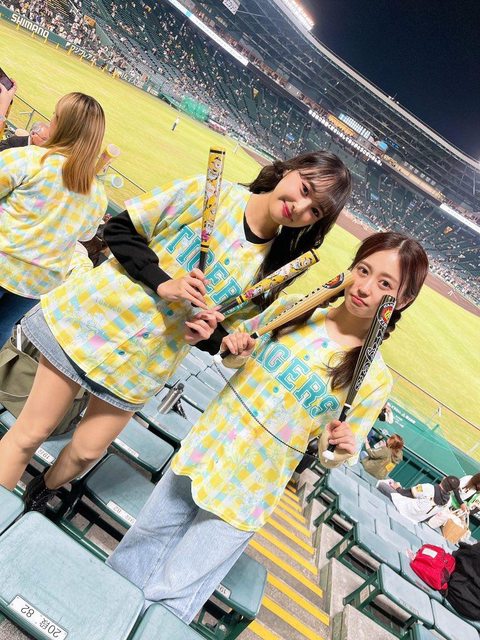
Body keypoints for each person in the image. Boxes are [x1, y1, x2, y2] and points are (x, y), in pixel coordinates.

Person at [0, 151, 352, 510]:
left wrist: (214, 337)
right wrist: (162, 282)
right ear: (289, 170)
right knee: (31, 433)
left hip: (142, 364)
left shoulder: (275, 266)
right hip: (93, 320)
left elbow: (223, 329)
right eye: (304, 189)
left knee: (86, 452)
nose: (300, 207)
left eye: (314, 211)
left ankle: (39, 493)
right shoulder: (211, 194)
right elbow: (120, 229)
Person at [107, 231, 429, 622]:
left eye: (385, 285)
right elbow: (237, 353)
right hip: (205, 452)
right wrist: (234, 350)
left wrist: (337, 446)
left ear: (403, 300)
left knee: (172, 597)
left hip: (252, 488)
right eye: (363, 270)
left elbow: (335, 451)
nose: (364, 287)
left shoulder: (375, 379)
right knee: (133, 553)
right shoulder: (296, 308)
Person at [0, 92, 108, 348]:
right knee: (3, 324)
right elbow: (85, 234)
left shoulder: (29, 159)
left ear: (60, 123)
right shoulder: (97, 193)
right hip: (39, 281)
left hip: (5, 259)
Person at [377, 475, 460, 523]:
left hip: (404, 508)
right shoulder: (448, 502)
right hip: (416, 519)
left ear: (444, 479)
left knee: (383, 483)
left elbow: (404, 493)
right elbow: (429, 517)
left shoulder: (429, 487)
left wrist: (397, 487)